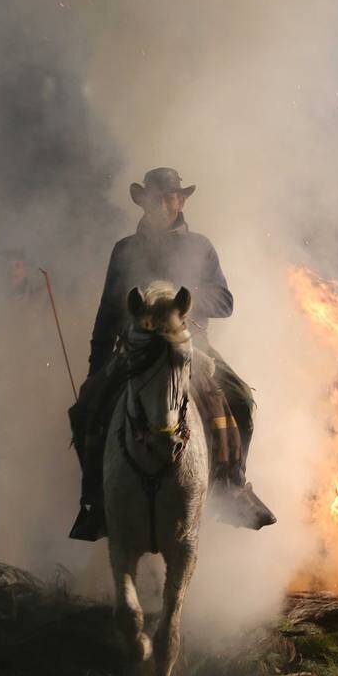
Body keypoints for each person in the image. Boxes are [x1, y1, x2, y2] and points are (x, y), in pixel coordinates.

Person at [70, 167, 273, 541]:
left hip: (192, 346)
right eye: (158, 197)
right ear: (144, 201)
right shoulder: (124, 251)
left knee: (242, 401)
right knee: (85, 409)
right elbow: (108, 313)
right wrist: (95, 371)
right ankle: (93, 501)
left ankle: (233, 487)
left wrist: (187, 295)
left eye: (173, 197)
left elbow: (225, 301)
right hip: (138, 348)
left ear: (181, 201)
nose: (166, 203)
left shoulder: (201, 247)